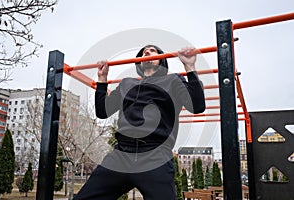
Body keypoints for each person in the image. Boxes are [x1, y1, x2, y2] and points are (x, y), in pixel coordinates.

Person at [73, 45, 205, 200]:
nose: (146, 52)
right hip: (121, 154)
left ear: (161, 60)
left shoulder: (173, 80)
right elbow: (103, 112)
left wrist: (189, 66)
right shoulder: (126, 84)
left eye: (152, 50)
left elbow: (197, 106)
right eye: (143, 52)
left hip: (155, 155)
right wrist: (102, 79)